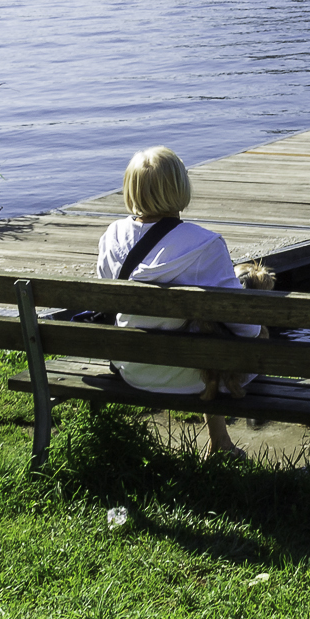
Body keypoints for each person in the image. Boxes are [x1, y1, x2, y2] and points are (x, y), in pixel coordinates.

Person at [98, 146, 261, 454]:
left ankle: (220, 441)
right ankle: (221, 443)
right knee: (231, 336)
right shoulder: (206, 244)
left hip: (133, 368)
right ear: (180, 187)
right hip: (196, 378)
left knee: (202, 334)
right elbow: (246, 329)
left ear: (131, 187)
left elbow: (105, 304)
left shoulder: (112, 236)